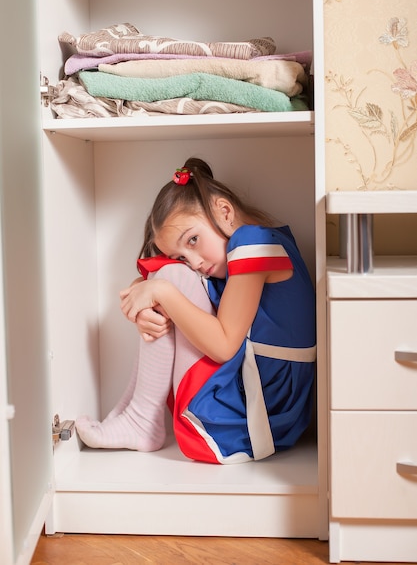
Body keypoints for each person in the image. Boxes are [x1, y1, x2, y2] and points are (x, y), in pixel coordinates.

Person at [75, 157, 316, 464]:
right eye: (183, 256)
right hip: (274, 405)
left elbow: (225, 345)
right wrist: (147, 291)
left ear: (224, 211)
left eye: (193, 240)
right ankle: (133, 415)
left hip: (258, 413)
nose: (195, 261)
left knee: (168, 281)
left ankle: (140, 419)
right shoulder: (251, 248)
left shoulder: (252, 241)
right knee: (166, 277)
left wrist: (160, 291)